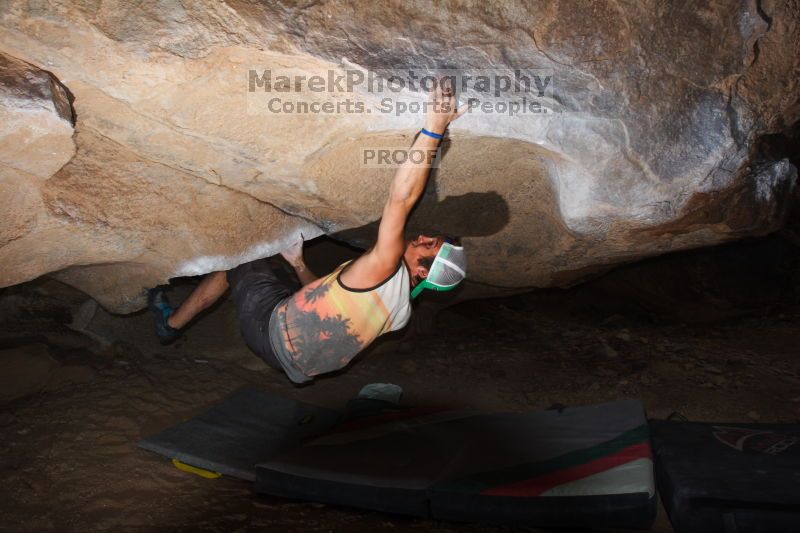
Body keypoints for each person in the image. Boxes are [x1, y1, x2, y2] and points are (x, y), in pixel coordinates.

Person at [148, 82, 467, 384]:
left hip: (271, 333)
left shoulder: (387, 266)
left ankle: (170, 324)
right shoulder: (401, 314)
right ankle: (268, 285)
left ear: (423, 269)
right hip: (298, 364)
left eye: (430, 245)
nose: (422, 238)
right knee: (275, 266)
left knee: (242, 259)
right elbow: (327, 304)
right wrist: (298, 263)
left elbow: (401, 199)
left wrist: (434, 128)